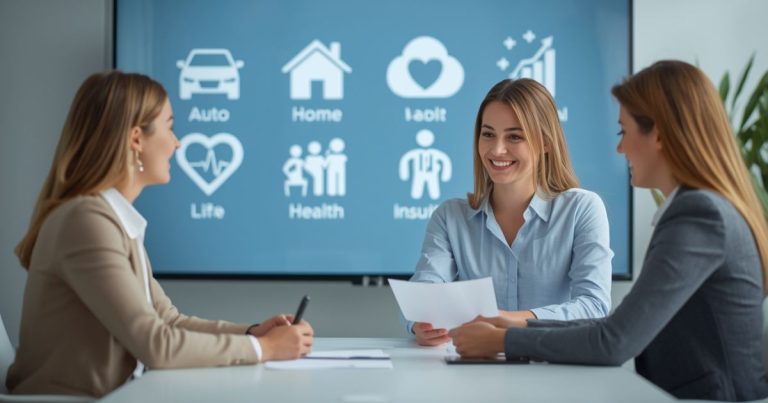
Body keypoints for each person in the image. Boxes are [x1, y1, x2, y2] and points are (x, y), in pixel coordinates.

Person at [450, 61, 768, 401]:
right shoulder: (700, 209)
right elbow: (615, 327)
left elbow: (614, 341)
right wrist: (516, 324)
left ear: (658, 135)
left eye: (623, 132)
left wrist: (503, 340)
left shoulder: (699, 215)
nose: (620, 148)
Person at [7, 71, 314, 398]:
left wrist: (253, 333)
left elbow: (167, 320)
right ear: (136, 138)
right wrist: (263, 348)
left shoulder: (110, 218)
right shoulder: (86, 221)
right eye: (169, 126)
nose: (177, 142)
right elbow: (157, 345)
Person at [408, 78, 613, 346]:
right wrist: (419, 323)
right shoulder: (450, 217)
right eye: (488, 134)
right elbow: (425, 290)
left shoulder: (582, 209)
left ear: (545, 143)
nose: (496, 150)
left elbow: (594, 306)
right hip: (472, 369)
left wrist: (513, 321)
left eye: (514, 136)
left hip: (553, 369)